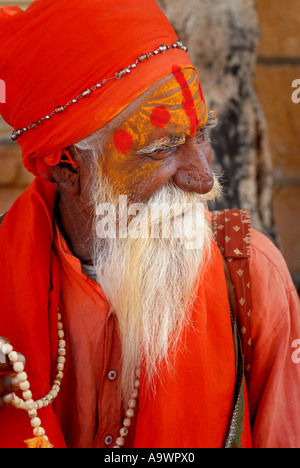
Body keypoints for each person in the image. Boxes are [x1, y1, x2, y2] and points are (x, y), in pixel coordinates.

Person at [0, 0, 299, 449]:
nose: (203, 180)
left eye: (201, 134)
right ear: (66, 168)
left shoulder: (254, 276)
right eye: (161, 148)